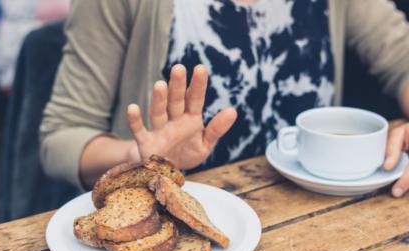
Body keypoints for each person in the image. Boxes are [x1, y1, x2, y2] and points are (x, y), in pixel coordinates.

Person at [40, 0, 409, 197]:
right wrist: (137, 157)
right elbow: (61, 138)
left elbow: (401, 58)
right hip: (174, 234)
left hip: (314, 223)